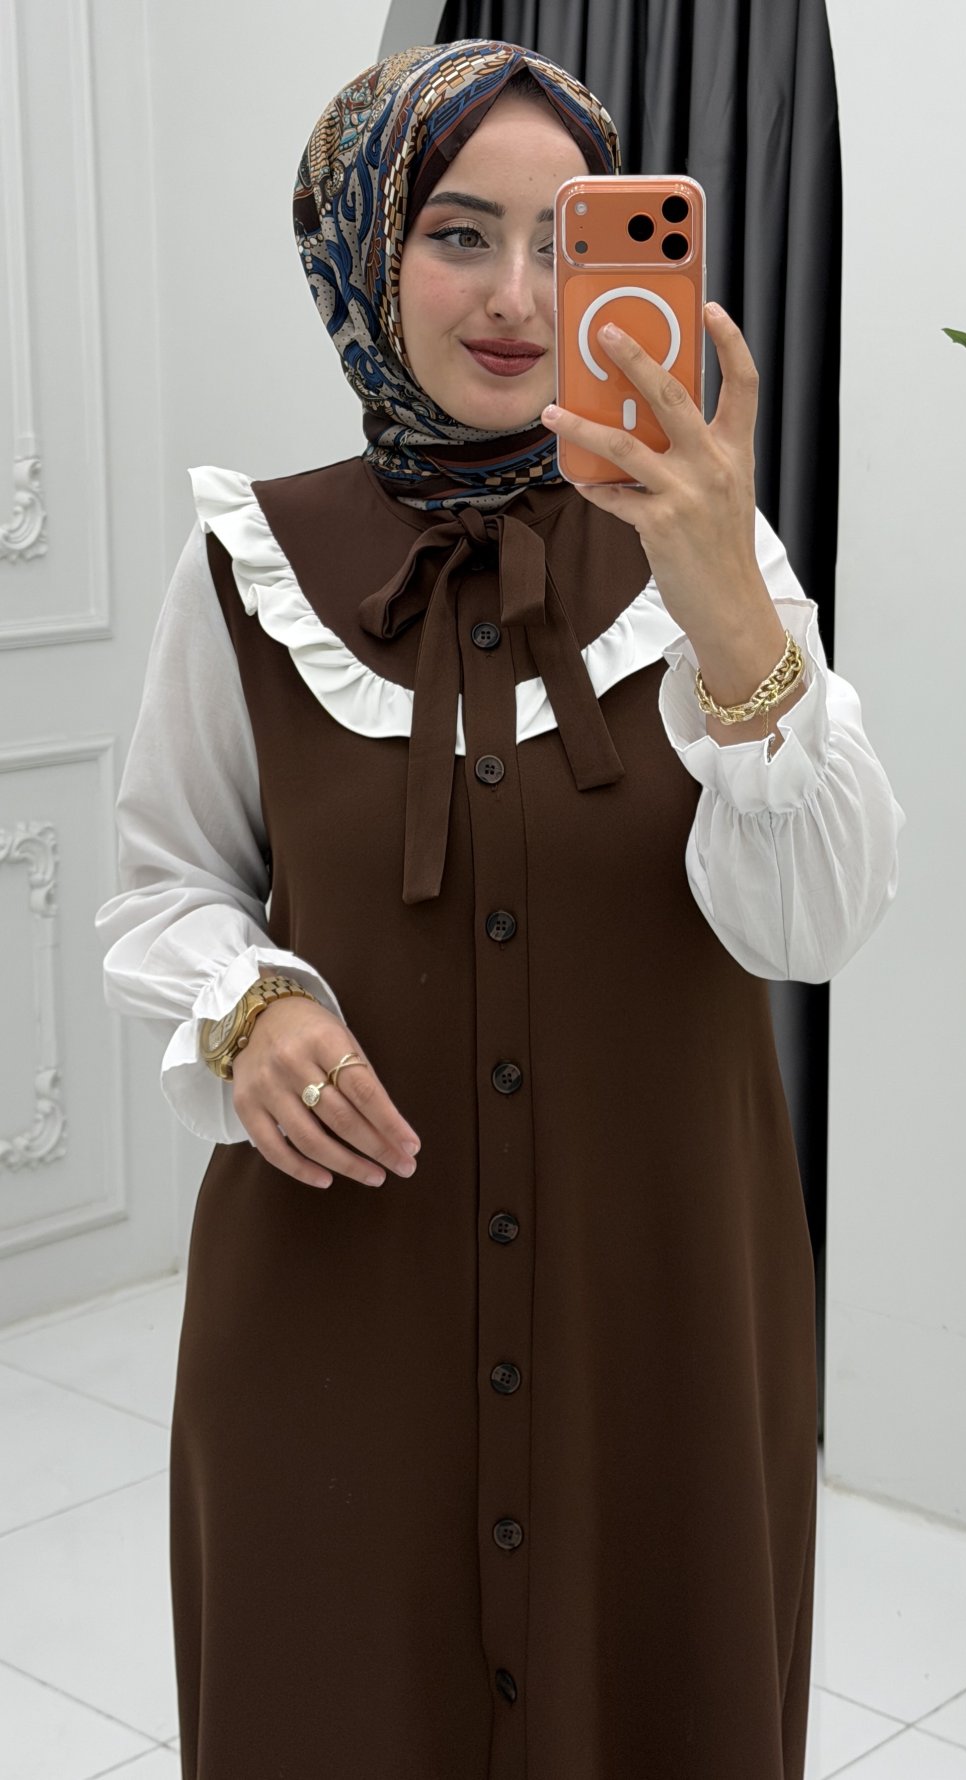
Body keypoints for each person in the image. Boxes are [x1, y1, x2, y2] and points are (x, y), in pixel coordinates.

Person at [95, 37, 905, 1780]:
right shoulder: (246, 565)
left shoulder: (711, 550)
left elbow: (817, 923)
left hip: (661, 1317)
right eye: (461, 233)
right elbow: (166, 885)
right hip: (335, 1321)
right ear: (363, 250)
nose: (522, 298)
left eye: (565, 239)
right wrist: (251, 1009)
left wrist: (729, 608)